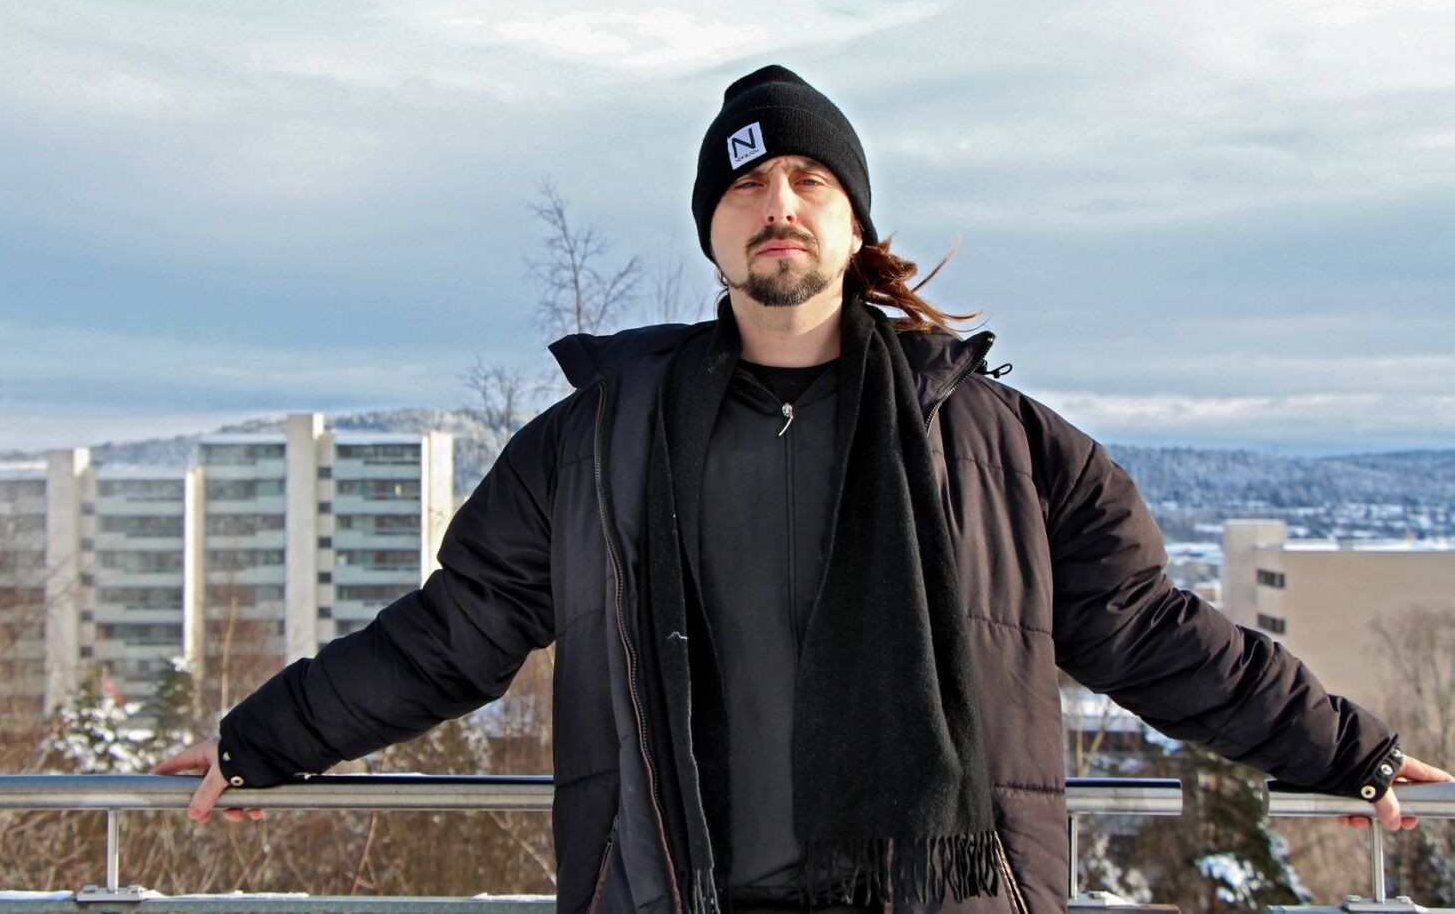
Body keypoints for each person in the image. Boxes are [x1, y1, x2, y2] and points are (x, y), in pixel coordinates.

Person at [156, 65, 1450, 914]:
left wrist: (1345, 750)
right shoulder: (596, 444)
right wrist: (265, 737)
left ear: (853, 223)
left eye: (809, 179)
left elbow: (1153, 632)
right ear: (714, 232)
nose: (777, 201)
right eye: (746, 184)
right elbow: (452, 634)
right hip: (680, 892)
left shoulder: (1000, 446)